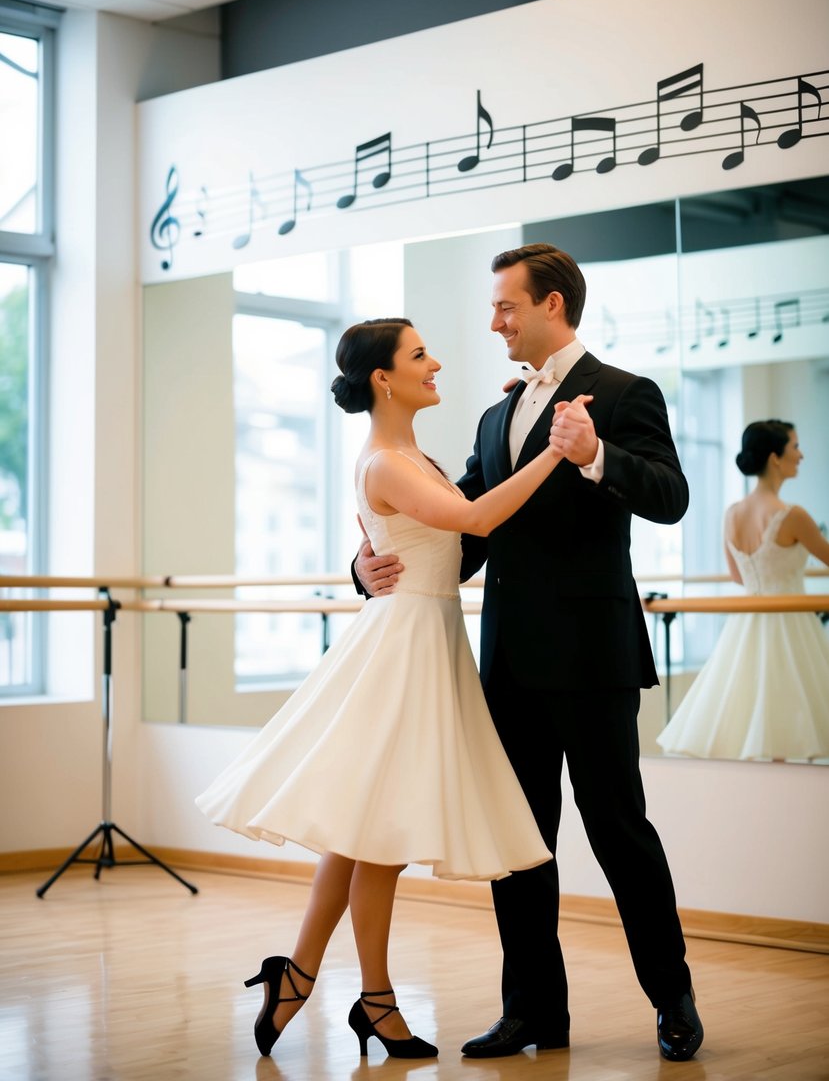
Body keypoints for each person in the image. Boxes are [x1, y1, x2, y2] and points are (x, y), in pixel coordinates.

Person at [196, 317, 590, 1062]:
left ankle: (309, 977)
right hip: (403, 648)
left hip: (423, 638)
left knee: (360, 834)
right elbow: (475, 518)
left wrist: (365, 556)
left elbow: (438, 534)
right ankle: (367, 998)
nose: (434, 362)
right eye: (418, 355)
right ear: (383, 377)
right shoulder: (385, 460)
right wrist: (554, 452)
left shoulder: (412, 455)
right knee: (372, 836)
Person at [355, 244, 704, 1063]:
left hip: (593, 657)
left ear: (552, 305)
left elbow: (671, 496)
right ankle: (533, 1012)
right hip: (506, 662)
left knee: (620, 832)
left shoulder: (626, 393)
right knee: (518, 843)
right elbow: (467, 531)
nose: (493, 322)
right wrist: (372, 565)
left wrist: (594, 456)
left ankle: (673, 999)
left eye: (506, 306)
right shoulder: (492, 415)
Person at [657, 419, 829, 761]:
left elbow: (737, 576)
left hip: (746, 622)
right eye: (795, 447)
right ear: (775, 458)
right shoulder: (792, 515)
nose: (801, 454)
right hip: (791, 622)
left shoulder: (732, 513)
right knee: (789, 710)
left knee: (748, 709)